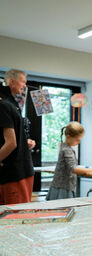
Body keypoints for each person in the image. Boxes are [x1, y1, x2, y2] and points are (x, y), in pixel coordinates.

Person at [0, 69, 34, 204]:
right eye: (23, 82)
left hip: (14, 173)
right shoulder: (10, 104)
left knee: (14, 218)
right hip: (17, 171)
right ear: (12, 82)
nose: (25, 86)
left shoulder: (5, 105)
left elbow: (11, 143)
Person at [46, 122, 92, 200]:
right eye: (77, 140)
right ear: (68, 137)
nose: (79, 142)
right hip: (63, 188)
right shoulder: (66, 150)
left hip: (64, 186)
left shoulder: (65, 148)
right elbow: (73, 169)